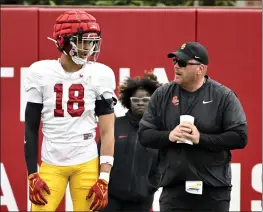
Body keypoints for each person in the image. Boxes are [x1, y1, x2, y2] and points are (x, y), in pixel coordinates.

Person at [138, 42, 248, 212]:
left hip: (213, 191)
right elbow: (144, 134)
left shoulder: (223, 96)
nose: (176, 66)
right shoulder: (162, 94)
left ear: (200, 69)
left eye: (182, 63)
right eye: (175, 61)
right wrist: (169, 136)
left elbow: (240, 136)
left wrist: (200, 138)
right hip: (174, 190)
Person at [24, 10, 116, 211]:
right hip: (52, 161)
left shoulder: (100, 74)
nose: (88, 48)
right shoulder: (40, 73)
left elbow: (108, 131)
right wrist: (32, 174)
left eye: (92, 41)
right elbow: (30, 127)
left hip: (86, 161)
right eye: (82, 40)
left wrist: (104, 177)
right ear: (62, 40)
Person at [98, 72, 162, 212]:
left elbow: (164, 163)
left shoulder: (158, 131)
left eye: (145, 100)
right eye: (136, 99)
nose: (140, 103)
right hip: (111, 198)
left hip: (141, 200)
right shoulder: (115, 126)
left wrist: (150, 186)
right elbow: (99, 154)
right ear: (128, 101)